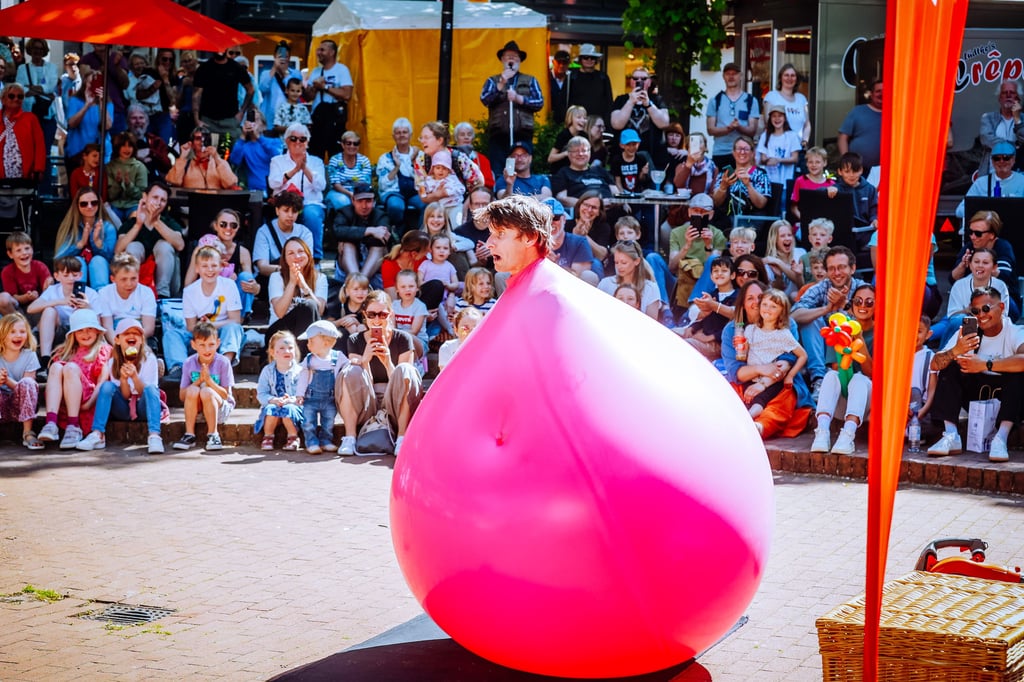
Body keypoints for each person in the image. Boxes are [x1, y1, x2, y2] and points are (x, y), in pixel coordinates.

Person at [926, 287, 1024, 462]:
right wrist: (956, 350)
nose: (981, 315)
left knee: (1017, 372)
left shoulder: (1014, 331)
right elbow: (935, 364)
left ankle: (1001, 437)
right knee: (950, 365)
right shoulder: (968, 333)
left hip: (1005, 396)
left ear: (1001, 307)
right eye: (975, 311)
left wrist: (985, 364)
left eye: (986, 308)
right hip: (976, 396)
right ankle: (951, 435)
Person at [721, 280, 813, 438]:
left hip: (777, 382)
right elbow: (736, 371)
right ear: (742, 304)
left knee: (783, 399)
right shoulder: (735, 329)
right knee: (730, 392)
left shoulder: (784, 326)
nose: (756, 303)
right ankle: (730, 425)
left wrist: (764, 383)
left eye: (760, 297)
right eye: (750, 298)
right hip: (747, 381)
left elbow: (787, 361)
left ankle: (759, 427)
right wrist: (760, 369)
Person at [335, 290, 423, 456]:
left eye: (382, 314)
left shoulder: (403, 339)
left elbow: (405, 382)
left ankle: (402, 437)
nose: (376, 320)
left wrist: (387, 361)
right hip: (367, 400)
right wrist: (365, 361)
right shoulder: (355, 340)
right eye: (371, 314)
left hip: (395, 402)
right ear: (364, 315)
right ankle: (349, 437)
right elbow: (360, 382)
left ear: (390, 315)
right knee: (350, 369)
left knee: (404, 369)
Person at [75, 318, 165, 454]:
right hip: (123, 408)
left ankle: (154, 436)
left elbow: (145, 393)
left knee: (151, 388)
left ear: (141, 339)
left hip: (144, 408)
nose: (131, 336)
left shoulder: (149, 359)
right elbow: (125, 395)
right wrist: (123, 379)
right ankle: (98, 433)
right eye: (126, 333)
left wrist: (134, 377)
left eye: (136, 333)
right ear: (117, 339)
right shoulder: (113, 363)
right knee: (107, 386)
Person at [791, 246, 868, 398]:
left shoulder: (863, 288)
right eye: (831, 269)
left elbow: (869, 321)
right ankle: (819, 379)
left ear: (852, 268)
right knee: (811, 320)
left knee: (844, 324)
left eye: (841, 267)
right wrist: (827, 308)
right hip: (824, 348)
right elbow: (794, 315)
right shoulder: (822, 287)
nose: (837, 273)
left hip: (856, 349)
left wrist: (844, 306)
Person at [809, 284, 876, 454]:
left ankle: (848, 435)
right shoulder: (840, 328)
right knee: (831, 376)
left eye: (869, 302)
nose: (862, 306)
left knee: (859, 378)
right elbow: (838, 368)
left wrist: (859, 339)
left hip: (868, 402)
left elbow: (872, 373)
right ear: (852, 304)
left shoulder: (881, 332)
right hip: (842, 400)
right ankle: (822, 432)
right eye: (858, 301)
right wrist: (845, 341)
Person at [37, 308, 112, 449]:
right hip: (64, 401)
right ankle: (51, 422)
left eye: (90, 328)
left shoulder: (104, 350)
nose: (86, 333)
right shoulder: (63, 352)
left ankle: (74, 426)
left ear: (97, 331)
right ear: (73, 334)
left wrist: (89, 403)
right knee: (56, 367)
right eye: (80, 330)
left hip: (88, 399)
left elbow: (103, 381)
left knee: (70, 368)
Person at [740, 288, 806, 422]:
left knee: (760, 400)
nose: (767, 309)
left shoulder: (783, 334)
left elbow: (803, 355)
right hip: (752, 377)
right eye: (764, 304)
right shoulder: (750, 329)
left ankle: (747, 419)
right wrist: (742, 346)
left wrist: (791, 376)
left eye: (773, 307)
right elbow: (745, 352)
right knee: (746, 397)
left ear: (782, 311)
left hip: (772, 380)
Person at [481, 40, 544, 174]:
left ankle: (519, 193)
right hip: (499, 134)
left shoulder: (530, 80)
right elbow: (485, 99)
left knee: (521, 169)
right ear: (502, 60)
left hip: (522, 133)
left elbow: (539, 102)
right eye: (508, 56)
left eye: (515, 57)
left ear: (520, 61)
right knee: (499, 170)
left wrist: (519, 99)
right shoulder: (493, 80)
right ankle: (502, 192)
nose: (511, 59)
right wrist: (501, 84)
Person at [114, 181, 186, 298]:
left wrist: (156, 221)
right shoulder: (131, 223)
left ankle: (162, 296)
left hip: (166, 286)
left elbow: (180, 245)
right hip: (137, 284)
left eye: (163, 200)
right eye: (155, 197)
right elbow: (118, 250)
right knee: (134, 246)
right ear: (145, 197)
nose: (158, 202)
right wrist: (138, 224)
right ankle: (134, 292)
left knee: (164, 246)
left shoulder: (169, 222)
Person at [184, 210, 259, 320]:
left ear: (238, 228)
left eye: (233, 225)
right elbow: (188, 285)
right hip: (207, 296)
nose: (228, 228)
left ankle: (241, 319)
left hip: (232, 301)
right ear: (215, 226)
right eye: (223, 224)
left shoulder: (243, 252)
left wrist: (255, 288)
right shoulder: (203, 248)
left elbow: (250, 282)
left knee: (246, 277)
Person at [26, 256, 97, 372]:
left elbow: (98, 320)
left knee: (82, 314)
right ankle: (45, 359)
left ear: (80, 275)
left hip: (80, 332)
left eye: (74, 275)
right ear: (57, 276)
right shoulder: (53, 290)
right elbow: (31, 309)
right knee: (49, 310)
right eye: (66, 275)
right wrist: (61, 301)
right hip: (57, 330)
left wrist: (87, 307)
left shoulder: (91, 293)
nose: (71, 279)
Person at [173, 320, 236, 452]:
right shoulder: (189, 363)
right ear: (194, 345)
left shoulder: (223, 363)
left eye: (211, 344)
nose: (207, 350)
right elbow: (182, 396)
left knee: (207, 391)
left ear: (218, 343)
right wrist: (197, 381)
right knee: (192, 390)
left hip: (220, 409)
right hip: (197, 410)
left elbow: (225, 395)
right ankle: (189, 434)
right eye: (202, 345)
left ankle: (213, 434)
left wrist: (209, 381)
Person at [268, 122, 327, 261]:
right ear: (287, 141)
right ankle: (281, 258)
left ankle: (314, 258)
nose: (298, 142)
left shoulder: (316, 161)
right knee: (284, 213)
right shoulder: (277, 161)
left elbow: (321, 186)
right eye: (293, 139)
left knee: (311, 214)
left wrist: (305, 168)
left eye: (302, 139)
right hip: (285, 203)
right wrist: (294, 170)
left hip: (310, 202)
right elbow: (273, 183)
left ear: (308, 142)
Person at [266, 237, 329, 351]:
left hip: (308, 333)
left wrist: (304, 286)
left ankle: (303, 358)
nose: (297, 256)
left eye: (301, 252)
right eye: (291, 253)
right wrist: (292, 282)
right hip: (279, 332)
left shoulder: (320, 278)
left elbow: (319, 311)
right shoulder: (276, 277)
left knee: (309, 306)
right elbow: (280, 312)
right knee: (307, 306)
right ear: (285, 259)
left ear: (308, 255)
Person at [668, 193, 727, 313]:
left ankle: (692, 309)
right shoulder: (677, 232)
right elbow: (672, 267)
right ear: (689, 212)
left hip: (704, 279)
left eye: (704, 211)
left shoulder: (718, 234)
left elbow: (714, 270)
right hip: (681, 277)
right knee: (653, 258)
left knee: (714, 259)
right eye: (696, 210)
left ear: (711, 215)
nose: (699, 214)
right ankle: (664, 309)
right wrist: (687, 246)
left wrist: (708, 246)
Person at [296, 320, 345, 454]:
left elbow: (348, 369)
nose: (308, 344)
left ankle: (326, 441)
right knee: (308, 422)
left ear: (326, 343)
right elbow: (303, 377)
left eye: (311, 341)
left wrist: (355, 363)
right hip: (310, 398)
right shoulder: (309, 359)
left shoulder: (338, 357)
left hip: (330, 398)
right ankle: (311, 442)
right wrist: (299, 394)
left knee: (328, 422)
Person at [333, 183, 397, 283]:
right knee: (347, 244)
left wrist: (350, 235)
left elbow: (383, 237)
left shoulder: (381, 216)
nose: (364, 206)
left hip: (375, 265)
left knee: (378, 244)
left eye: (368, 201)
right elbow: (337, 231)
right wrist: (370, 231)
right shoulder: (344, 213)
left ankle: (360, 283)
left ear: (374, 202)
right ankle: (356, 282)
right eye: (359, 201)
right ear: (353, 200)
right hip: (348, 264)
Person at [54, 187, 117, 290]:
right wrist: (80, 244)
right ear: (77, 206)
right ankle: (78, 296)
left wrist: (97, 243)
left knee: (98, 260)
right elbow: (59, 258)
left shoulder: (107, 227)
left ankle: (101, 298)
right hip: (73, 275)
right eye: (84, 204)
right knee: (78, 260)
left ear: (99, 204)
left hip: (101, 271)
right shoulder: (70, 227)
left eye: (94, 203)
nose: (89, 206)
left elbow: (113, 260)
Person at [676, 255, 735, 360]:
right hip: (702, 335)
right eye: (715, 271)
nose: (719, 273)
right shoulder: (711, 295)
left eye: (724, 270)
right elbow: (706, 317)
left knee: (685, 346)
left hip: (718, 343)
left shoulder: (736, 296)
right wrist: (693, 327)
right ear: (711, 277)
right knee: (669, 334)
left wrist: (709, 338)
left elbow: (735, 325)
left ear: (732, 275)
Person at [15, 38, 58, 178]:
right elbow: (21, 90)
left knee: (45, 153)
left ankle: (45, 188)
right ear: (30, 51)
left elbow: (51, 86)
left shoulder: (51, 67)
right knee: (29, 151)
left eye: (40, 49)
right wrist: (44, 92)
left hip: (47, 116)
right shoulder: (22, 68)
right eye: (35, 49)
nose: (37, 52)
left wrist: (33, 89)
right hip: (29, 115)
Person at [304, 39, 353, 161]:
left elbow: (347, 94)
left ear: (332, 52)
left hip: (335, 121)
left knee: (336, 156)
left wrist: (325, 87)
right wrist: (314, 88)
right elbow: (307, 97)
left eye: (322, 50)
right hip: (318, 120)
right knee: (315, 156)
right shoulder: (315, 72)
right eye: (318, 50)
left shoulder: (342, 70)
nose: (318, 53)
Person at [610, 67, 670, 166]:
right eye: (635, 78)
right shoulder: (621, 100)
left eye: (643, 79)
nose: (639, 81)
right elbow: (616, 124)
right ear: (631, 82)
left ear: (649, 82)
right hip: (625, 157)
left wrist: (648, 104)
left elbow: (664, 123)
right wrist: (630, 102)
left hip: (653, 155)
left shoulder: (657, 100)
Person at [255, 330, 304, 451]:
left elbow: (304, 394)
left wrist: (291, 400)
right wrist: (273, 400)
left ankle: (293, 436)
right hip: (274, 404)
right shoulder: (267, 371)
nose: (287, 351)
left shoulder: (300, 371)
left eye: (290, 348)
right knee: (270, 409)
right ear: (272, 352)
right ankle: (268, 436)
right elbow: (261, 393)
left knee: (287, 409)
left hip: (293, 407)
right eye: (282, 348)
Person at [0, 312, 43, 450]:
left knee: (28, 383)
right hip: (2, 406)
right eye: (12, 332)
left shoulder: (30, 355)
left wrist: (7, 380)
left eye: (22, 331)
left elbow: (27, 388)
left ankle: (28, 433)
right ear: (2, 335)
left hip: (20, 406)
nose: (18, 335)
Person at [706, 63, 760, 170]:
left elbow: (753, 130)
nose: (731, 77)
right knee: (722, 185)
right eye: (728, 74)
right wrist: (728, 129)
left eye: (734, 74)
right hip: (721, 152)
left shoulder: (751, 101)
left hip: (744, 153)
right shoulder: (715, 100)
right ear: (723, 76)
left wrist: (739, 127)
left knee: (744, 184)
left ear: (740, 76)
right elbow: (710, 129)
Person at [94, 253, 157, 345]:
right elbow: (107, 326)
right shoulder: (104, 293)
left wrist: (133, 341)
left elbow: (149, 328)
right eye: (124, 279)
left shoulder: (146, 293)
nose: (129, 284)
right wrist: (118, 345)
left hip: (139, 332)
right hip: (115, 333)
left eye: (133, 279)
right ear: (113, 279)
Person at [193, 49, 253, 140]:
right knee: (209, 152)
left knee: (233, 152)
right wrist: (196, 119)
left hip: (230, 120)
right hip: (209, 121)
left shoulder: (236, 67)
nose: (219, 50)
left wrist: (241, 112)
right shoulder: (204, 68)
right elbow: (196, 95)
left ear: (227, 48)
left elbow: (251, 89)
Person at [252, 190, 316, 277]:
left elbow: (308, 262)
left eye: (294, 211)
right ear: (277, 211)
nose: (290, 215)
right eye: (286, 211)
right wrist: (285, 270)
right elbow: (262, 267)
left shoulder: (305, 233)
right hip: (272, 278)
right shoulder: (264, 232)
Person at [414, 120, 485, 198]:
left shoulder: (459, 158)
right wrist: (439, 197)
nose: (422, 141)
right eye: (421, 138)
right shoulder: (421, 161)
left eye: (426, 138)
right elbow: (423, 196)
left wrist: (467, 204)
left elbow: (479, 182)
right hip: (433, 204)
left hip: (460, 203)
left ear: (440, 140)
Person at [711, 136, 771, 226]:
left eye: (746, 149)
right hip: (726, 219)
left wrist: (748, 185)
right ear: (733, 152)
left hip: (750, 220)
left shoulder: (761, 174)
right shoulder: (725, 173)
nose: (742, 152)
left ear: (752, 153)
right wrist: (723, 187)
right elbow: (716, 202)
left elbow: (761, 204)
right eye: (739, 149)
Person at [956, 140, 1024, 218]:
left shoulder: (1022, 181)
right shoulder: (981, 183)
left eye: (1006, 158)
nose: (1001, 161)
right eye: (997, 158)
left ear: (1013, 160)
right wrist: (985, 208)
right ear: (992, 161)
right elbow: (959, 211)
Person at [377, 117, 423, 231]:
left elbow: (425, 181)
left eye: (405, 132)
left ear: (410, 135)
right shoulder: (385, 158)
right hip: (394, 192)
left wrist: (413, 162)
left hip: (415, 192)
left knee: (427, 205)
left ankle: (422, 234)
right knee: (395, 206)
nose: (401, 135)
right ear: (393, 136)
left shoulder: (420, 155)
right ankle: (396, 233)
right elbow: (382, 185)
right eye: (398, 133)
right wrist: (396, 167)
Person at [597, 240, 660, 319]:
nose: (619, 266)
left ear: (636, 261)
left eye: (624, 263)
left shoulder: (651, 289)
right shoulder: (605, 284)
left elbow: (652, 325)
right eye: (616, 262)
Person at [552, 136, 617, 210]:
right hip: (585, 213)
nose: (580, 154)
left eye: (584, 150)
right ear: (569, 154)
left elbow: (616, 194)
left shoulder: (600, 171)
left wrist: (622, 203)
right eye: (575, 151)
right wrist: (596, 205)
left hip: (611, 209)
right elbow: (562, 198)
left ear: (589, 153)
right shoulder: (563, 173)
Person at [545, 197, 598, 285]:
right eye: (546, 218)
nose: (551, 222)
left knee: (589, 276)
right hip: (537, 289)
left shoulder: (579, 242)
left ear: (564, 219)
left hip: (568, 290)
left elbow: (578, 280)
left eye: (556, 218)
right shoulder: (531, 242)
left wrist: (555, 267)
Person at [165, 126, 238, 189]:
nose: (202, 142)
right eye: (198, 139)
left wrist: (217, 158)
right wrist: (182, 157)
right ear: (192, 144)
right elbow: (173, 182)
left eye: (205, 139)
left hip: (215, 204)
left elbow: (231, 183)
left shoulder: (218, 163)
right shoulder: (186, 165)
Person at [78, 43, 128, 134]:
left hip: (116, 109)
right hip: (93, 109)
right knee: (94, 145)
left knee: (118, 144)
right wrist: (106, 64)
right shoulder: (86, 59)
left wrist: (116, 66)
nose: (99, 43)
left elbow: (125, 84)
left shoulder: (118, 58)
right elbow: (86, 78)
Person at [0, 232, 52, 316]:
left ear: (32, 249)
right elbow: (13, 297)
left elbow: (48, 293)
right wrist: (26, 297)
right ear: (10, 254)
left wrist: (48, 284)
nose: (24, 253)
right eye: (18, 250)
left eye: (27, 248)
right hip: (17, 309)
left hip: (38, 306)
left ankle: (38, 327)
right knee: (2, 298)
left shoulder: (40, 266)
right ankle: (18, 323)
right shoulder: (7, 271)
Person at [837, 79, 883, 173]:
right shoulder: (857, 111)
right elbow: (843, 138)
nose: (882, 94)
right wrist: (846, 161)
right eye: (878, 91)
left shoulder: (895, 114)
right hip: (857, 170)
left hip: (885, 170)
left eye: (885, 91)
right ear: (871, 94)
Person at [1, 82, 45, 180]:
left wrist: (39, 169)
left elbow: (39, 146)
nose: (16, 99)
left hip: (25, 177)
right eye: (11, 96)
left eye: (20, 96)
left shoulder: (30, 119)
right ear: (3, 99)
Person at [978, 79, 1023, 175]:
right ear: (999, 98)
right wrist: (1016, 146)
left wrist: (1017, 119)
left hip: (1018, 175)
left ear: (1018, 98)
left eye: (1012, 92)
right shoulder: (988, 118)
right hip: (991, 175)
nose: (1008, 95)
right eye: (1004, 93)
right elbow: (986, 140)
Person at [762, 63, 811, 149]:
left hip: (798, 148)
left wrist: (805, 140)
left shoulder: (801, 98)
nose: (789, 78)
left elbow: (807, 124)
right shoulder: (772, 96)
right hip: (778, 147)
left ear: (796, 79)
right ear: (780, 78)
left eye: (793, 76)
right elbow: (767, 121)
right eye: (786, 75)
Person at [259, 41, 303, 133]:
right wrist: (275, 67)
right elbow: (263, 88)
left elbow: (294, 89)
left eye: (285, 57)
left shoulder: (295, 74)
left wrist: (284, 73)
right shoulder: (266, 73)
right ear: (274, 56)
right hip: (270, 122)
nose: (283, 59)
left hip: (289, 122)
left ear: (289, 58)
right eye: (280, 56)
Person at [566, 44, 613, 126]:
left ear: (596, 60)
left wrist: (606, 121)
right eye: (585, 57)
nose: (589, 60)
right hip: (577, 122)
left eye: (592, 58)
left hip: (597, 122)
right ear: (581, 60)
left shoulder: (603, 77)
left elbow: (609, 101)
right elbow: (565, 101)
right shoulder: (572, 77)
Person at [106, 132, 148, 222]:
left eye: (130, 146)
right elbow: (109, 196)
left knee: (136, 220)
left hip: (134, 205)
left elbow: (142, 195)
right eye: (123, 146)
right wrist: (117, 183)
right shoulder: (110, 167)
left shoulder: (140, 167)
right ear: (118, 148)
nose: (127, 149)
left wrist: (129, 185)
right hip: (115, 206)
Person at [756, 104, 802, 189]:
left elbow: (795, 158)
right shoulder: (765, 136)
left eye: (780, 116)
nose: (777, 119)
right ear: (770, 119)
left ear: (784, 118)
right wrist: (767, 161)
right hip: (767, 182)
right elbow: (762, 158)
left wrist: (778, 160)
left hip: (786, 182)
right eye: (774, 116)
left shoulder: (792, 135)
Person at [325, 130, 372, 211]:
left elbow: (366, 183)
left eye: (355, 143)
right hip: (339, 192)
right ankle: (344, 223)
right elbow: (336, 184)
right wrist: (350, 194)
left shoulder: (364, 160)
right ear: (342, 145)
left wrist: (357, 195)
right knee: (344, 202)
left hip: (360, 192)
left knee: (366, 203)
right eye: (348, 143)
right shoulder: (335, 160)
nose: (352, 146)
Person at [833, 152, 878, 233]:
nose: (851, 175)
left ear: (861, 170)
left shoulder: (870, 189)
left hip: (866, 233)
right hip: (843, 233)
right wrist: (827, 190)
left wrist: (875, 220)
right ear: (840, 171)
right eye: (847, 171)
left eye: (855, 171)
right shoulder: (835, 189)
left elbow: (874, 211)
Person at [419, 150, 466, 229]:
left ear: (448, 170)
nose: (441, 170)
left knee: (457, 223)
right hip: (439, 207)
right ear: (433, 169)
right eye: (438, 168)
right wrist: (437, 192)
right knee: (430, 221)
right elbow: (425, 194)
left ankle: (459, 236)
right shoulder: (429, 181)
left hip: (454, 205)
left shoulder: (452, 178)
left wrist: (450, 192)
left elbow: (462, 189)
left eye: (444, 168)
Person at [565, 190, 611, 268]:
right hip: (569, 264)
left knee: (596, 263)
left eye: (594, 207)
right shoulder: (567, 225)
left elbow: (602, 255)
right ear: (579, 206)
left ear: (599, 212)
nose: (589, 210)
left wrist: (584, 237)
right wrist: (574, 236)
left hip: (593, 265)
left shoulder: (603, 227)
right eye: (586, 205)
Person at [789, 147, 835, 224]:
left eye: (817, 162)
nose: (814, 165)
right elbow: (794, 207)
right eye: (810, 162)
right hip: (804, 222)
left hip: (825, 225)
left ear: (825, 163)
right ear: (806, 163)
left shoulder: (831, 184)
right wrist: (805, 220)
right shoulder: (800, 181)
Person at [125, 105, 172, 180]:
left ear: (147, 122)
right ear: (127, 122)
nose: (138, 121)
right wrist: (135, 157)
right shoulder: (121, 140)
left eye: (141, 118)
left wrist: (151, 153)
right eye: (134, 118)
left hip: (154, 182)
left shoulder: (156, 141)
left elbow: (167, 166)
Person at [762, 219, 805, 300]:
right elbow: (774, 293)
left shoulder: (801, 253)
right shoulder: (768, 263)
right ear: (774, 239)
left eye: (789, 235)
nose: (787, 238)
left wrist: (779, 263)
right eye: (782, 236)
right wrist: (779, 277)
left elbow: (803, 286)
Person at [392, 269, 430, 360]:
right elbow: (392, 327)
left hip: (418, 342)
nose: (407, 289)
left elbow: (414, 331)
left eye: (411, 286)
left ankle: (414, 365)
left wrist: (394, 333)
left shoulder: (420, 306)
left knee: (409, 338)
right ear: (397, 289)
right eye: (403, 287)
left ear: (417, 287)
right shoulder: (393, 305)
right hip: (398, 340)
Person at [326, 272, 372, 337]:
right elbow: (327, 324)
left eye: (364, 289)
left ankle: (357, 345)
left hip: (363, 335)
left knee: (362, 327)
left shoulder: (369, 307)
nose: (360, 293)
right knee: (351, 326)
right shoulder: (340, 304)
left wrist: (356, 322)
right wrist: (342, 321)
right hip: (342, 336)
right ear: (347, 291)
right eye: (356, 289)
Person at [438, 306, 483, 372]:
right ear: (456, 330)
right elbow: (446, 375)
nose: (471, 332)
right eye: (465, 328)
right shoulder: (447, 348)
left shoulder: (489, 348)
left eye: (475, 328)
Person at [547, 105, 589, 176]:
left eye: (584, 118)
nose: (582, 120)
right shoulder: (563, 135)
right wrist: (566, 153)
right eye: (579, 117)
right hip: (560, 172)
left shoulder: (584, 136)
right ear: (570, 119)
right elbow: (550, 158)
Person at [672, 132, 717, 197]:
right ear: (688, 148)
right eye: (693, 142)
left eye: (700, 142)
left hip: (704, 203)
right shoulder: (681, 166)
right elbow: (678, 184)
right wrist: (688, 165)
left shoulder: (713, 168)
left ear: (706, 147)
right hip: (684, 203)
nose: (697, 145)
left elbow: (713, 193)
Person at [453, 121, 494, 190]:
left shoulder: (482, 159)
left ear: (473, 138)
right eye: (462, 135)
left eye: (469, 134)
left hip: (477, 194)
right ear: (456, 138)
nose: (466, 137)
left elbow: (489, 183)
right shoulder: (449, 156)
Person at [548, 50, 571, 124]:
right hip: (549, 121)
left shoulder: (571, 79)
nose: (561, 65)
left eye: (564, 63)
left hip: (566, 121)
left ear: (568, 64)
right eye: (559, 62)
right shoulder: (546, 78)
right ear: (553, 62)